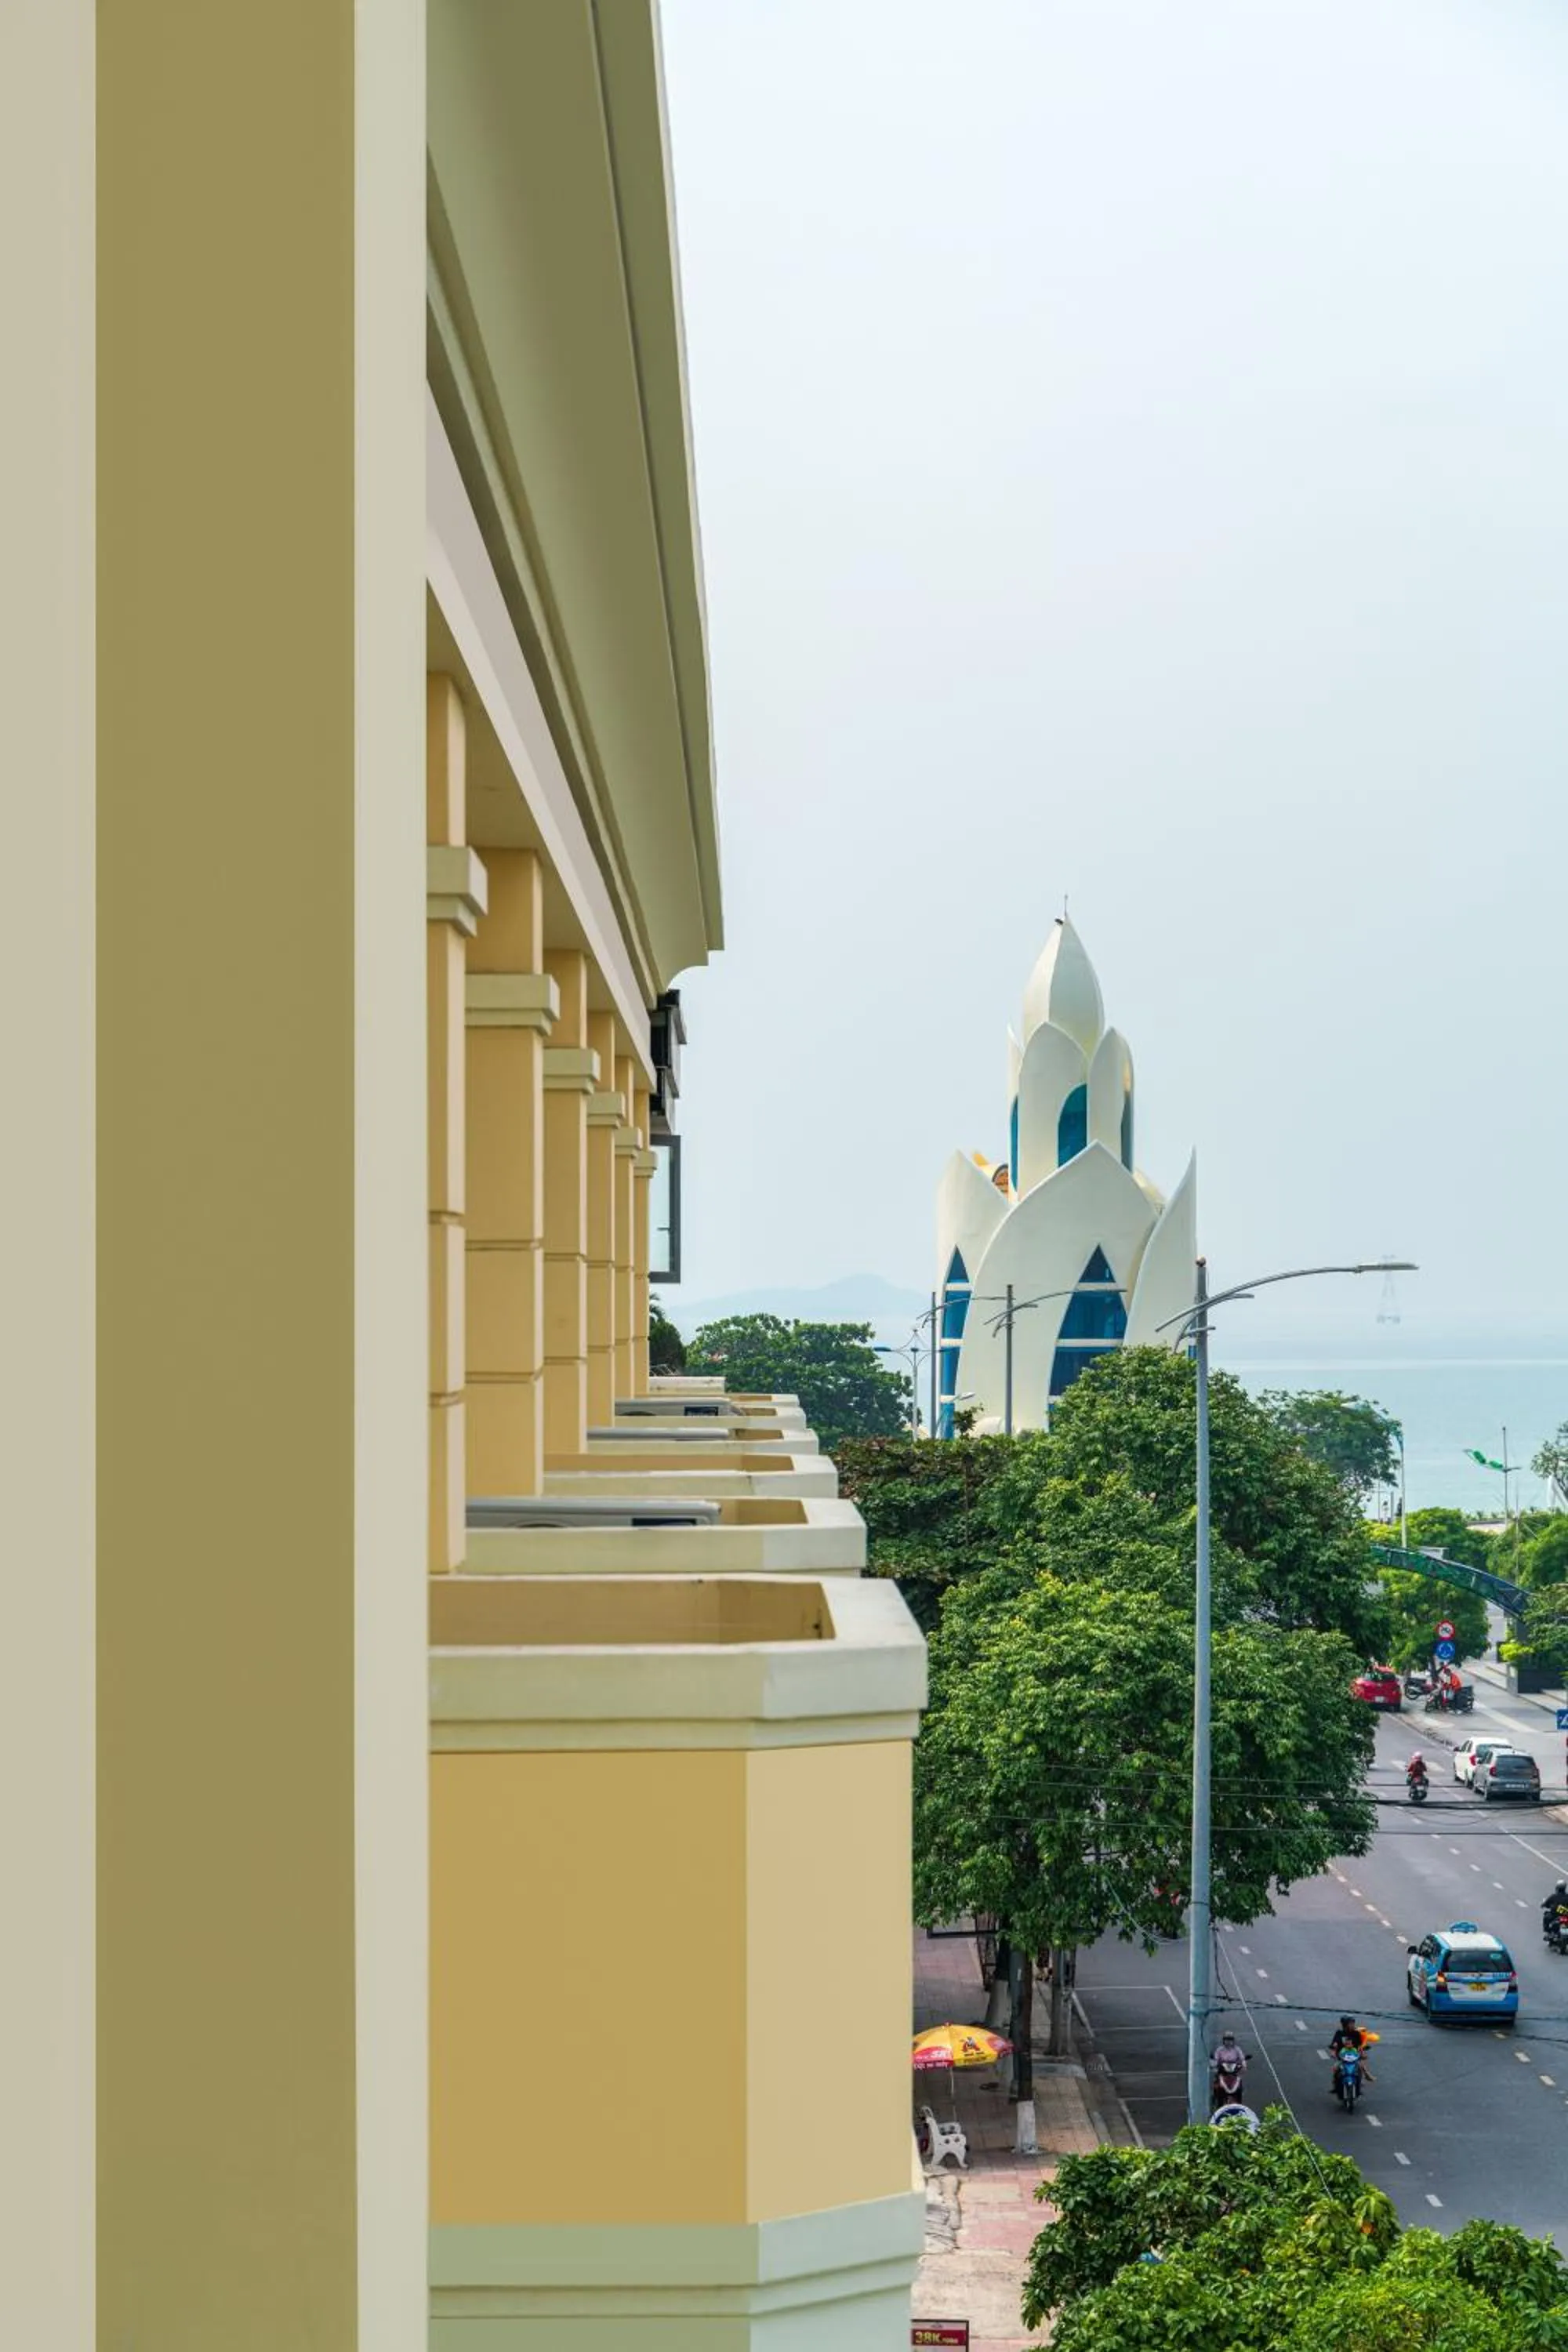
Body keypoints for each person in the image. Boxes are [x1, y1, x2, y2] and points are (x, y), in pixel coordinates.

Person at [1330, 2015, 1374, 2084]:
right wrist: (1333, 2052)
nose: (1353, 2025)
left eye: (1353, 2023)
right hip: (1342, 2055)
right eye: (1350, 2023)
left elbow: (1360, 2045)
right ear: (1345, 2025)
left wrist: (1363, 2053)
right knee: (1336, 2067)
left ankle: (1366, 2076)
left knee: (1361, 2066)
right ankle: (1335, 2081)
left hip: (1354, 2054)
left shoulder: (1356, 2033)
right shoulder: (1339, 2033)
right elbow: (1334, 2044)